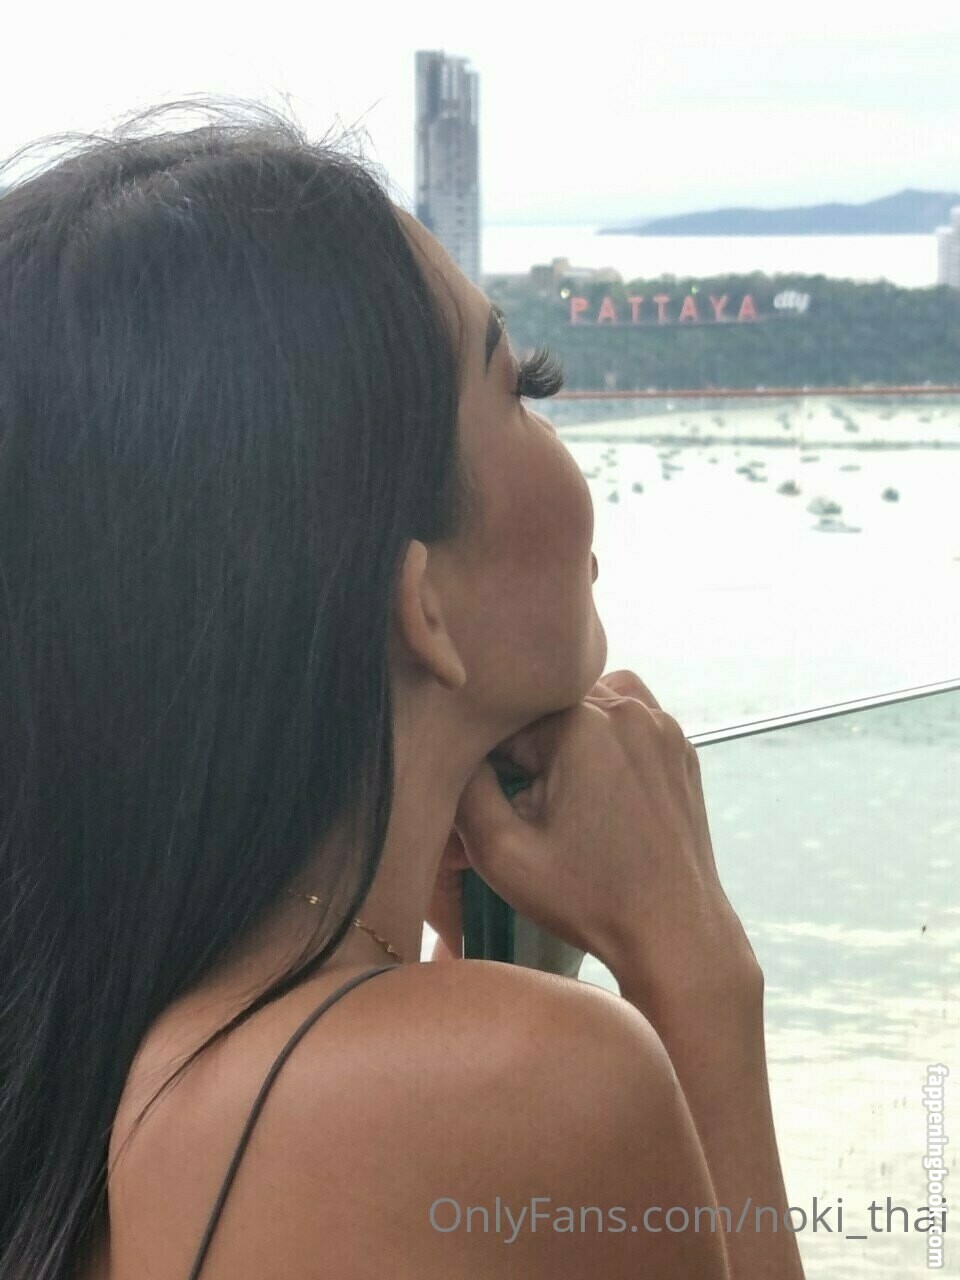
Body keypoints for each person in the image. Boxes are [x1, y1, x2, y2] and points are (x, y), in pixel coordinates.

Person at [0, 98, 805, 1280]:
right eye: (524, 386)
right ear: (418, 602)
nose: (568, 452)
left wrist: (483, 967)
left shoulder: (88, 1055)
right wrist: (695, 972)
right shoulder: (504, 1084)